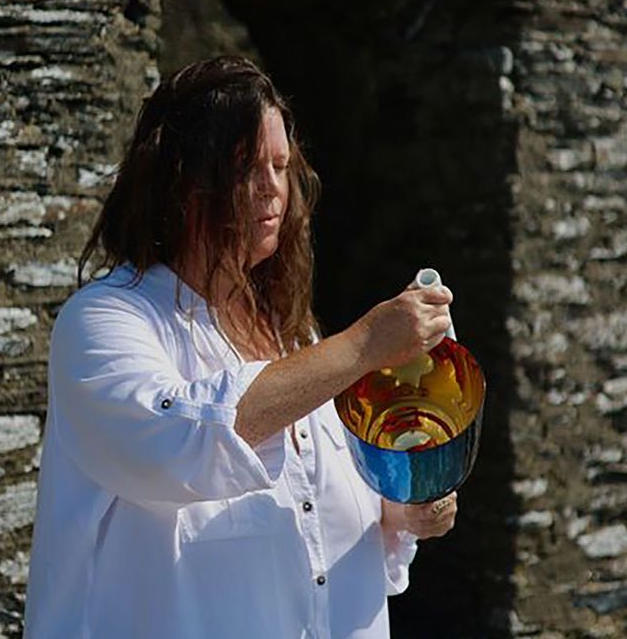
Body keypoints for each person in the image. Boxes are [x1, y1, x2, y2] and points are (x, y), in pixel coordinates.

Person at [23, 55, 457, 639]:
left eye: (281, 166)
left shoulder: (293, 336)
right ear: (182, 179)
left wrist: (405, 511)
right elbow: (183, 440)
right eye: (247, 167)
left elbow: (323, 510)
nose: (273, 189)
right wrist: (364, 346)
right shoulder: (103, 322)